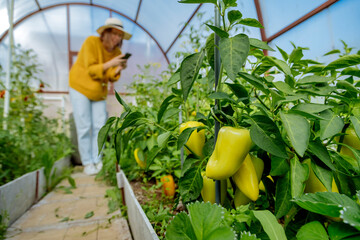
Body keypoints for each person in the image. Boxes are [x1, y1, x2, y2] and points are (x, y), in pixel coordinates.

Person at [69, 18, 132, 175]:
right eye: (114, 34)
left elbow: (110, 76)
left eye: (120, 36)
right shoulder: (91, 42)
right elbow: (91, 69)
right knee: (84, 126)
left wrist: (118, 67)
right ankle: (87, 163)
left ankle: (97, 160)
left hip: (98, 92)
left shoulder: (117, 53)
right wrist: (111, 64)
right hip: (80, 87)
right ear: (105, 32)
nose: (117, 38)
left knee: (100, 126)